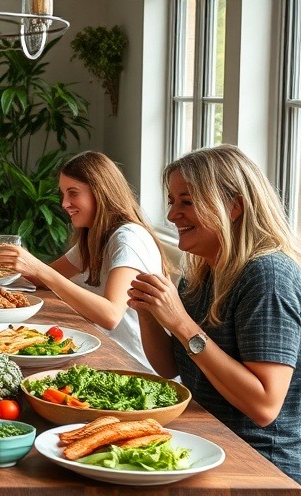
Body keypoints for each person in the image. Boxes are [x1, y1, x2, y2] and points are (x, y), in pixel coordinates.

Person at [128, 144, 301, 483]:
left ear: (234, 207)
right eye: (172, 202)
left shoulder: (267, 275)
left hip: (259, 465)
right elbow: (169, 367)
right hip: (205, 441)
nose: (172, 215)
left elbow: (264, 406)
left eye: (187, 202)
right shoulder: (203, 271)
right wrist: (149, 313)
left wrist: (181, 322)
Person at [0, 151, 168, 371]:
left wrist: (39, 269)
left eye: (73, 193)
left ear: (100, 192)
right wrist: (21, 262)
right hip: (104, 347)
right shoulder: (96, 235)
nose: (65, 203)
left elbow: (110, 315)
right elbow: (43, 280)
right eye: (63, 194)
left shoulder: (128, 238)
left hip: (132, 363)